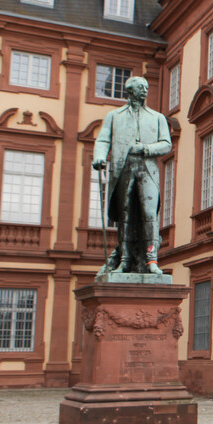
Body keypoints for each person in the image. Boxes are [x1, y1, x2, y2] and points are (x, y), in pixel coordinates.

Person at [91, 76, 172, 276]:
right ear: (130, 91)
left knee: (149, 215)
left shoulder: (157, 117)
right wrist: (100, 157)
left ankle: (151, 260)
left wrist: (145, 148)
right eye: (140, 88)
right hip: (123, 168)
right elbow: (103, 140)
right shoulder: (114, 116)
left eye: (146, 87)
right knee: (125, 215)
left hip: (147, 169)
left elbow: (166, 144)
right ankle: (124, 260)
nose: (144, 91)